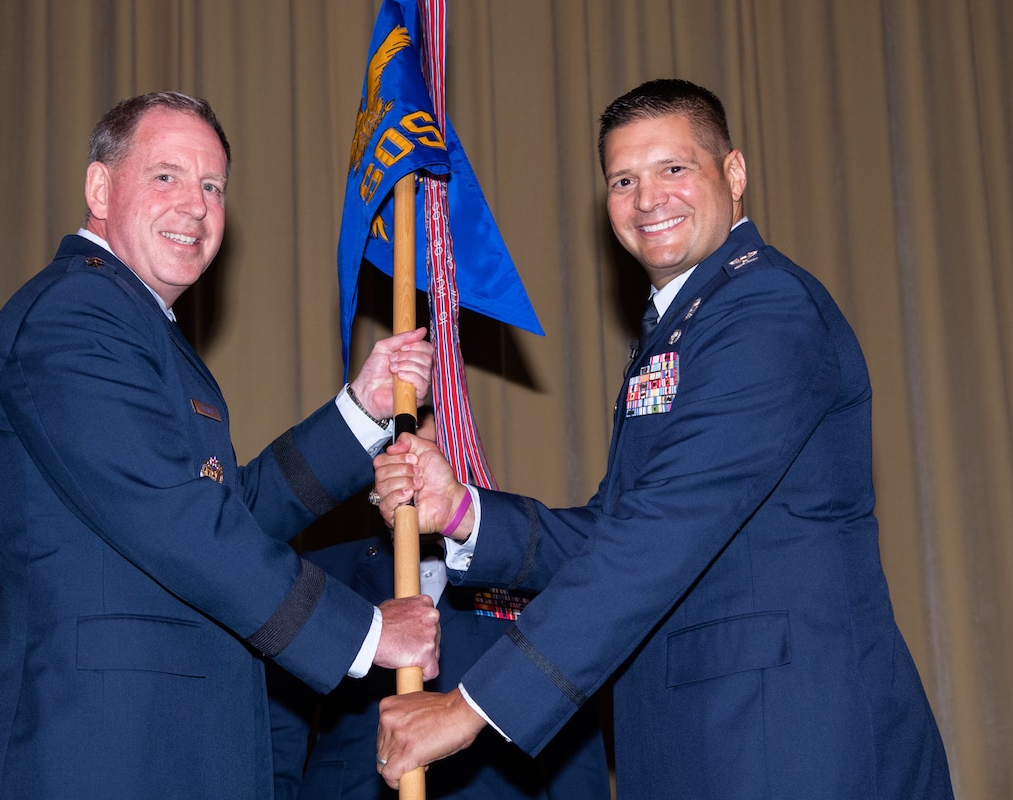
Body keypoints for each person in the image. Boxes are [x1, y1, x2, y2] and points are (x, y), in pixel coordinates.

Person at [371, 79, 954, 799]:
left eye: (674, 169)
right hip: (704, 739)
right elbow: (622, 530)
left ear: (734, 175)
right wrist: (462, 512)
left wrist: (471, 707)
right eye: (624, 179)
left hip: (783, 741)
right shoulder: (687, 323)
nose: (648, 199)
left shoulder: (765, 310)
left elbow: (660, 532)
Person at [0, 91, 440, 800]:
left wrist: (360, 412)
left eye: (212, 186)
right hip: (102, 752)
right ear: (100, 187)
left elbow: (222, 512)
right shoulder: (75, 313)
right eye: (167, 176)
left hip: (166, 744)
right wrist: (365, 634)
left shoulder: (134, 324)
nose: (196, 205)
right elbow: (177, 521)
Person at [267, 418, 611, 800]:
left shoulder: (523, 570)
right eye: (405, 457)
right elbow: (280, 734)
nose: (417, 472)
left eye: (434, 453)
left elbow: (570, 731)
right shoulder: (322, 572)